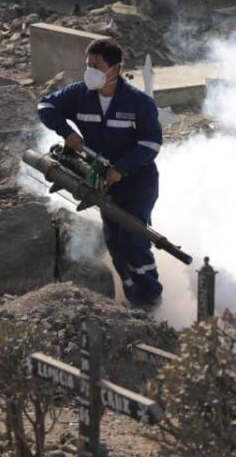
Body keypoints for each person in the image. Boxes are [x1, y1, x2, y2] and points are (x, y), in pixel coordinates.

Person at [37, 39, 164, 308]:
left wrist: (122, 168)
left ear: (115, 69)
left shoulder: (138, 102)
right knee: (115, 243)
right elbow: (45, 107)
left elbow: (151, 143)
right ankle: (133, 299)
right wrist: (67, 132)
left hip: (138, 182)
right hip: (104, 183)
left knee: (132, 237)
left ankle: (152, 298)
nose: (90, 71)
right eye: (88, 65)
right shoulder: (79, 95)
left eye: (97, 65)